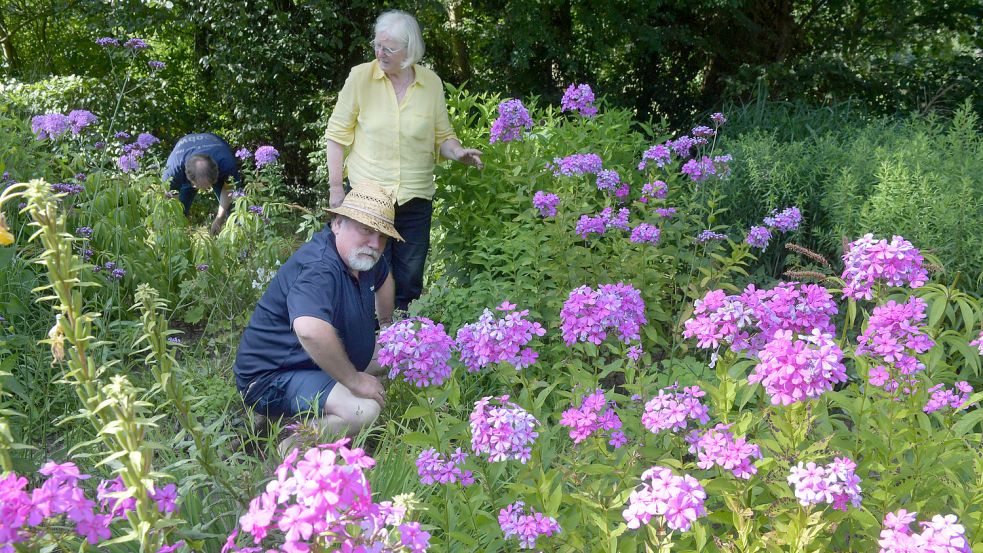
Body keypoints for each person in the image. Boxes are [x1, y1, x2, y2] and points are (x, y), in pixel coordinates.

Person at [325, 9, 483, 313]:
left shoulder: (431, 84)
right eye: (377, 45)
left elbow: (442, 137)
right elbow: (336, 136)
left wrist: (458, 152)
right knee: (368, 272)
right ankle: (366, 339)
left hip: (415, 197)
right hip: (369, 198)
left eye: (389, 48)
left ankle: (404, 341)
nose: (379, 53)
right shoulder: (360, 78)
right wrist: (335, 190)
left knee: (409, 279)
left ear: (409, 51)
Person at [233, 183, 400, 442]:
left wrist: (387, 323)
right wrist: (354, 380)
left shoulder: (362, 257)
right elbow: (310, 331)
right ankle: (293, 445)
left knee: (397, 352)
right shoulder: (319, 268)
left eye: (382, 236)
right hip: (271, 378)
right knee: (364, 410)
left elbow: (384, 276)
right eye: (366, 230)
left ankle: (318, 403)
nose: (375, 243)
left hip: (312, 363)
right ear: (337, 223)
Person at [162, 132, 242, 235]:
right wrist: (179, 223)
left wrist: (219, 219)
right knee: (179, 212)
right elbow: (171, 201)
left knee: (233, 208)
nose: (205, 189)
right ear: (189, 179)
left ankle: (238, 236)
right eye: (201, 186)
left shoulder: (226, 164)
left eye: (208, 185)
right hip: (186, 167)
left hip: (217, 157)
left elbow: (229, 190)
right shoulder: (173, 171)